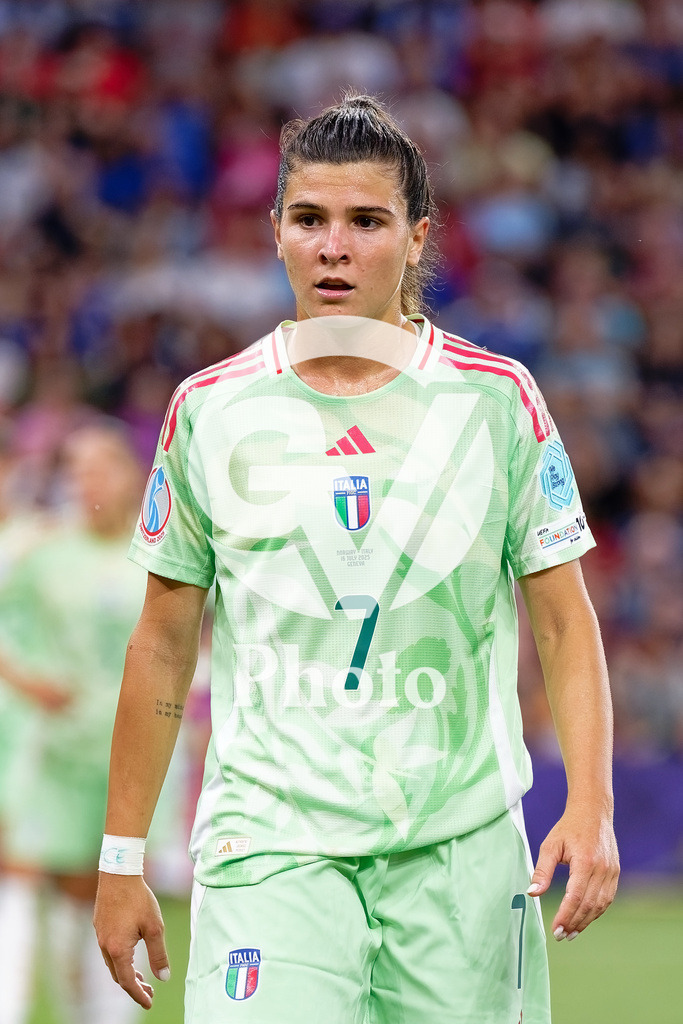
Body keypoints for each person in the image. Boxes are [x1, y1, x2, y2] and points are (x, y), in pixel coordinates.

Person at [94, 95, 619, 1024]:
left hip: (459, 846)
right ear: (277, 232)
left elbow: (563, 621)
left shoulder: (495, 400)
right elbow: (164, 644)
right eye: (310, 220)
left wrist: (592, 805)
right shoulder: (210, 409)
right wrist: (122, 857)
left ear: (416, 238)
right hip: (268, 845)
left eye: (366, 221)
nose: (334, 246)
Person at [0, 422, 147, 1024]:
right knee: (26, 872)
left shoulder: (156, 555)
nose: (88, 481)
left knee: (100, 890)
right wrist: (26, 680)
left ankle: (97, 1012)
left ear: (131, 475)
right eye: (77, 469)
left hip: (127, 754)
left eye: (101, 466)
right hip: (50, 748)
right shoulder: (42, 552)